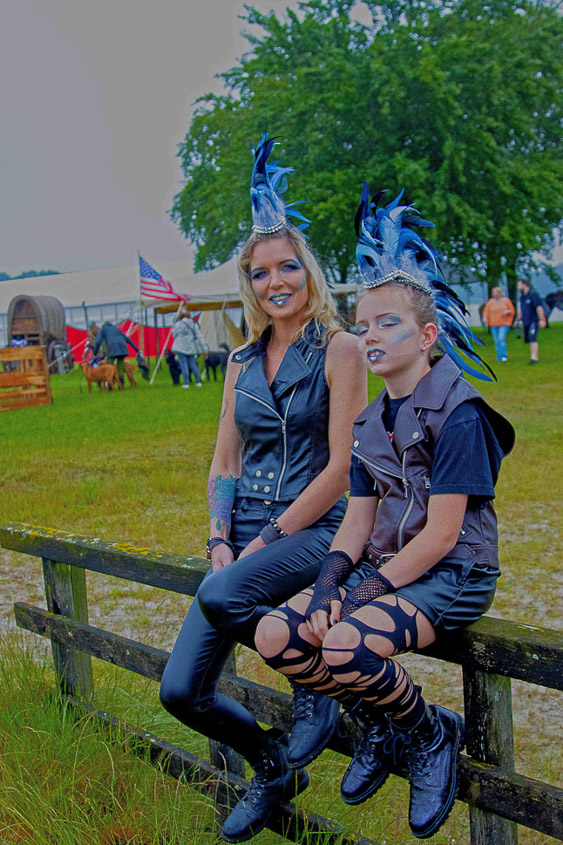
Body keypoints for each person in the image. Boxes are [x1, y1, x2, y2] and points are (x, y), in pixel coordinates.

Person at [255, 184, 515, 841]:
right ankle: (379, 723)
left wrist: (360, 593)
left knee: (343, 641)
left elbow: (443, 534)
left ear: (428, 335)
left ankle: (429, 735)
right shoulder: (370, 421)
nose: (369, 335)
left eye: (388, 324)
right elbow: (358, 521)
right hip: (390, 569)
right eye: (363, 324)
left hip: (453, 573)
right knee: (276, 633)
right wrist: (327, 585)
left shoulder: (460, 414)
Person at [159, 135, 367, 843]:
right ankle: (273, 766)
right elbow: (224, 460)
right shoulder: (240, 360)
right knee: (179, 691)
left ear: (308, 272)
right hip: (242, 534)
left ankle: (319, 684)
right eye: (260, 272)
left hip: (313, 529)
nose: (276, 281)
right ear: (249, 284)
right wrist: (220, 538)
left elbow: (341, 466)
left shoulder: (340, 348)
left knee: (224, 595)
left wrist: (267, 538)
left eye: (287, 267)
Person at [92, 321, 139, 385]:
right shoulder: (116, 330)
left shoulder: (103, 330)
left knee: (110, 368)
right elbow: (128, 339)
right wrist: (137, 350)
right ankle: (121, 384)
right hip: (123, 350)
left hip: (112, 350)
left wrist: (95, 352)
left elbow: (98, 341)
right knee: (120, 368)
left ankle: (110, 386)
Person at [170, 309, 208, 387]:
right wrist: (204, 348)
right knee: (193, 364)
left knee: (184, 365)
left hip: (180, 347)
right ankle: (198, 381)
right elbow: (198, 336)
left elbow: (174, 335)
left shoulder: (177, 324)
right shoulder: (193, 323)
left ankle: (186, 383)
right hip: (191, 346)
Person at [515, 278, 547, 365]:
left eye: (518, 285)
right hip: (526, 321)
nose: (517, 287)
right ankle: (532, 356)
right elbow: (521, 310)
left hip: (534, 321)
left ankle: (534, 358)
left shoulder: (533, 294)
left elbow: (539, 307)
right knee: (529, 339)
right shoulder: (522, 297)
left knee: (533, 339)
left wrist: (542, 319)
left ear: (524, 285)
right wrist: (517, 320)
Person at [482, 286, 515, 362]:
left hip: (504, 323)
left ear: (499, 293)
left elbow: (512, 311)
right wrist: (485, 318)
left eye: (495, 292)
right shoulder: (491, 301)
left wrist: (507, 311)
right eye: (493, 292)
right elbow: (486, 311)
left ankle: (504, 355)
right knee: (496, 341)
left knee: (501, 339)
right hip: (493, 324)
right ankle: (499, 356)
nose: (493, 294)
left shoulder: (506, 300)